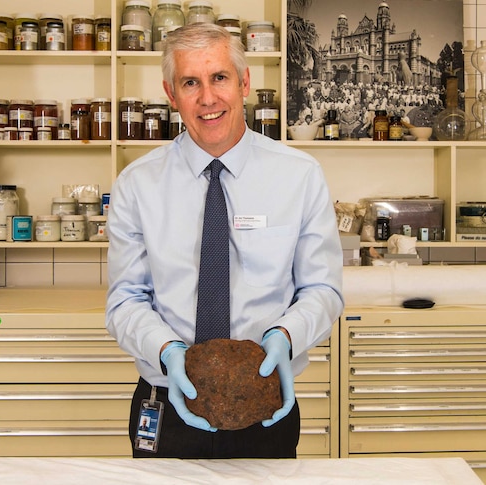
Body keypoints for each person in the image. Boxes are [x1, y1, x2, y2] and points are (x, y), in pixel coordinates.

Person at [105, 22, 344, 459]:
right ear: (171, 94)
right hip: (166, 400)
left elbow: (322, 289)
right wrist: (168, 352)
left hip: (264, 402)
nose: (208, 98)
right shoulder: (136, 184)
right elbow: (125, 300)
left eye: (219, 78)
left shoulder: (299, 176)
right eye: (190, 83)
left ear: (245, 82)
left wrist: (285, 337)